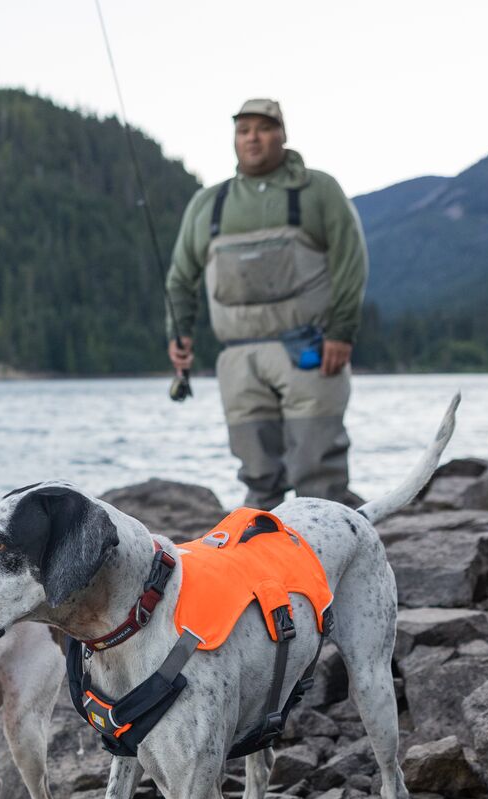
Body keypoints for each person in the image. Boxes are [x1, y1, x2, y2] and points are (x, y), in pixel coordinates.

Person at [165, 99, 368, 508]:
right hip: (238, 358)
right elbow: (181, 276)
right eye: (243, 130)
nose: (252, 138)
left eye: (263, 128)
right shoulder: (208, 204)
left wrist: (341, 332)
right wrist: (179, 332)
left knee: (318, 469)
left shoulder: (319, 190)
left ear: (283, 134)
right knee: (258, 476)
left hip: (309, 349)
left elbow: (351, 259)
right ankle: (262, 566)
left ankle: (328, 560)